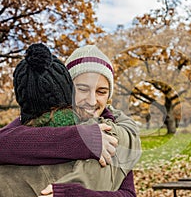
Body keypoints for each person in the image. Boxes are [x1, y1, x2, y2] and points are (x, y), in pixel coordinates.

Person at [0, 44, 141, 196]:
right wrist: (81, 139)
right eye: (82, 89)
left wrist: (78, 194)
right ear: (67, 89)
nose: (92, 100)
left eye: (101, 91)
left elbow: (128, 194)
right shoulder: (35, 122)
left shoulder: (114, 130)